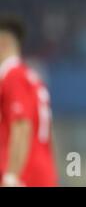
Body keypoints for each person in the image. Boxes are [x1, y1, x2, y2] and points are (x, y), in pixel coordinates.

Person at [0, 14, 58, 186]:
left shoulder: (13, 77)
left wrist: (11, 176)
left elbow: (21, 126)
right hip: (40, 171)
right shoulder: (32, 78)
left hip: (24, 174)